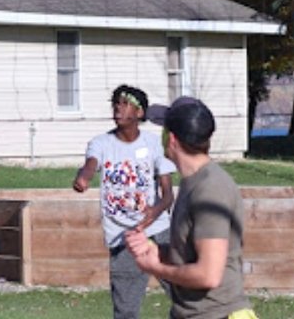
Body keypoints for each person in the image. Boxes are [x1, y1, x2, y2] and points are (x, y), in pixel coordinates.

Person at [125, 97, 256, 319]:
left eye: (164, 130)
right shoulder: (192, 182)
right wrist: (158, 251)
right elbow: (192, 255)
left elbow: (208, 275)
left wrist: (155, 268)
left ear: (172, 139)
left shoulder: (210, 189)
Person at [72, 84, 176, 319]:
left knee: (184, 297)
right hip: (123, 238)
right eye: (116, 103)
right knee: (126, 311)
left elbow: (168, 195)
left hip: (159, 232)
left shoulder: (153, 144)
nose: (118, 108)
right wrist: (84, 177)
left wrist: (154, 212)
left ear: (139, 113)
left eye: (125, 104)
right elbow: (91, 164)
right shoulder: (101, 143)